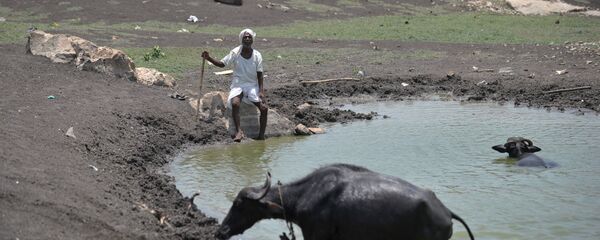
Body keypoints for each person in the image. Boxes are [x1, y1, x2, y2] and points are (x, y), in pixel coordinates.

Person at [201, 28, 268, 142]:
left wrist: (261, 91)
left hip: (252, 85)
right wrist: (209, 58)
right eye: (245, 37)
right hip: (238, 84)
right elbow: (222, 64)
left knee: (264, 108)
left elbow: (260, 74)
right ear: (241, 39)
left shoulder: (257, 55)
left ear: (252, 40)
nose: (247, 38)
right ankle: (238, 131)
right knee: (235, 103)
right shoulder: (235, 52)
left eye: (249, 37)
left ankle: (261, 135)